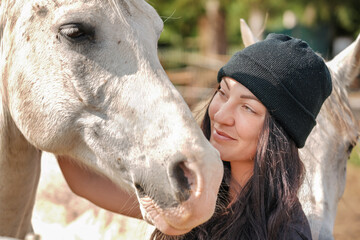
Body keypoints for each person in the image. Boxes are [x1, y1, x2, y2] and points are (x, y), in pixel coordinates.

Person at [58, 33, 332, 240]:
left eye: (247, 107)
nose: (222, 114)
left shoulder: (286, 232)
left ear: (280, 133)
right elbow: (84, 181)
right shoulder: (197, 188)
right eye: (222, 92)